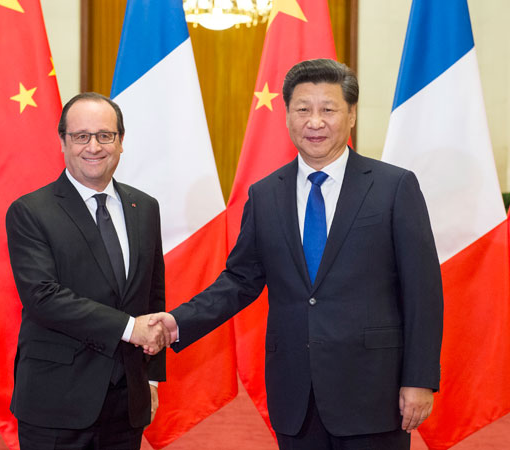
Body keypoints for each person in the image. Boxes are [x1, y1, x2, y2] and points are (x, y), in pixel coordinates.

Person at [148, 59, 443, 450]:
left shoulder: (394, 187)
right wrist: (176, 322)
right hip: (295, 393)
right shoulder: (265, 193)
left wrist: (419, 379)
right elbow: (240, 280)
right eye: (303, 109)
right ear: (287, 115)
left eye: (328, 109)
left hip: (374, 389)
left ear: (352, 115)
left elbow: (423, 291)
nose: (314, 122)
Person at [6, 92, 169, 450]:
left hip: (127, 403)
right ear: (63, 142)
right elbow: (43, 297)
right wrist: (130, 328)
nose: (93, 146)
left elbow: (152, 296)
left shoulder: (145, 207)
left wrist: (151, 380)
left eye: (104, 135)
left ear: (120, 141)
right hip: (57, 403)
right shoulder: (30, 211)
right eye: (81, 136)